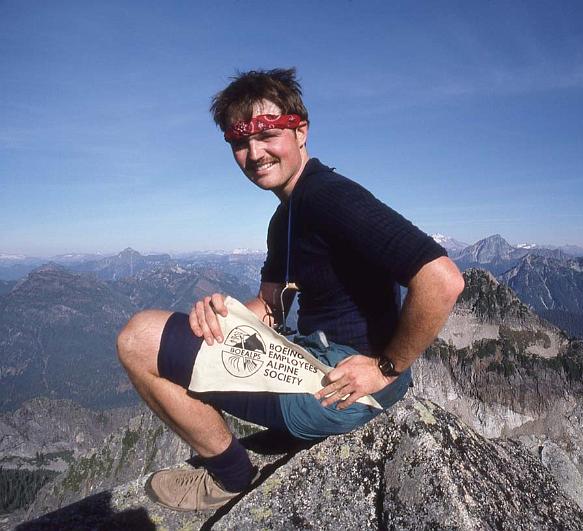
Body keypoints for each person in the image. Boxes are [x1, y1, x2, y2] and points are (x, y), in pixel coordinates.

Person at [116, 68, 464, 512]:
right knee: (165, 334)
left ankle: (230, 475)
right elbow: (271, 304)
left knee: (138, 339)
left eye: (266, 134)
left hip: (342, 385)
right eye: (239, 142)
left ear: (301, 131)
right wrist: (219, 313)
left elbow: (442, 279)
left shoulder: (331, 198)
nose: (254, 152)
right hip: (320, 361)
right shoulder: (287, 216)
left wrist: (385, 368)